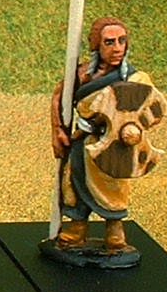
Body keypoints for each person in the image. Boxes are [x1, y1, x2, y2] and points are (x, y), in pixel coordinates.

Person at [50, 16, 160, 254]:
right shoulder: (82, 75)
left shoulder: (135, 79)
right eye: (109, 42)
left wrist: (130, 130)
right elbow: (60, 97)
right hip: (83, 141)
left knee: (113, 186)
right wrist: (58, 129)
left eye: (122, 41)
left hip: (115, 146)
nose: (117, 48)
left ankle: (114, 231)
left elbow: (151, 108)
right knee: (74, 180)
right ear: (97, 46)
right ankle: (77, 228)